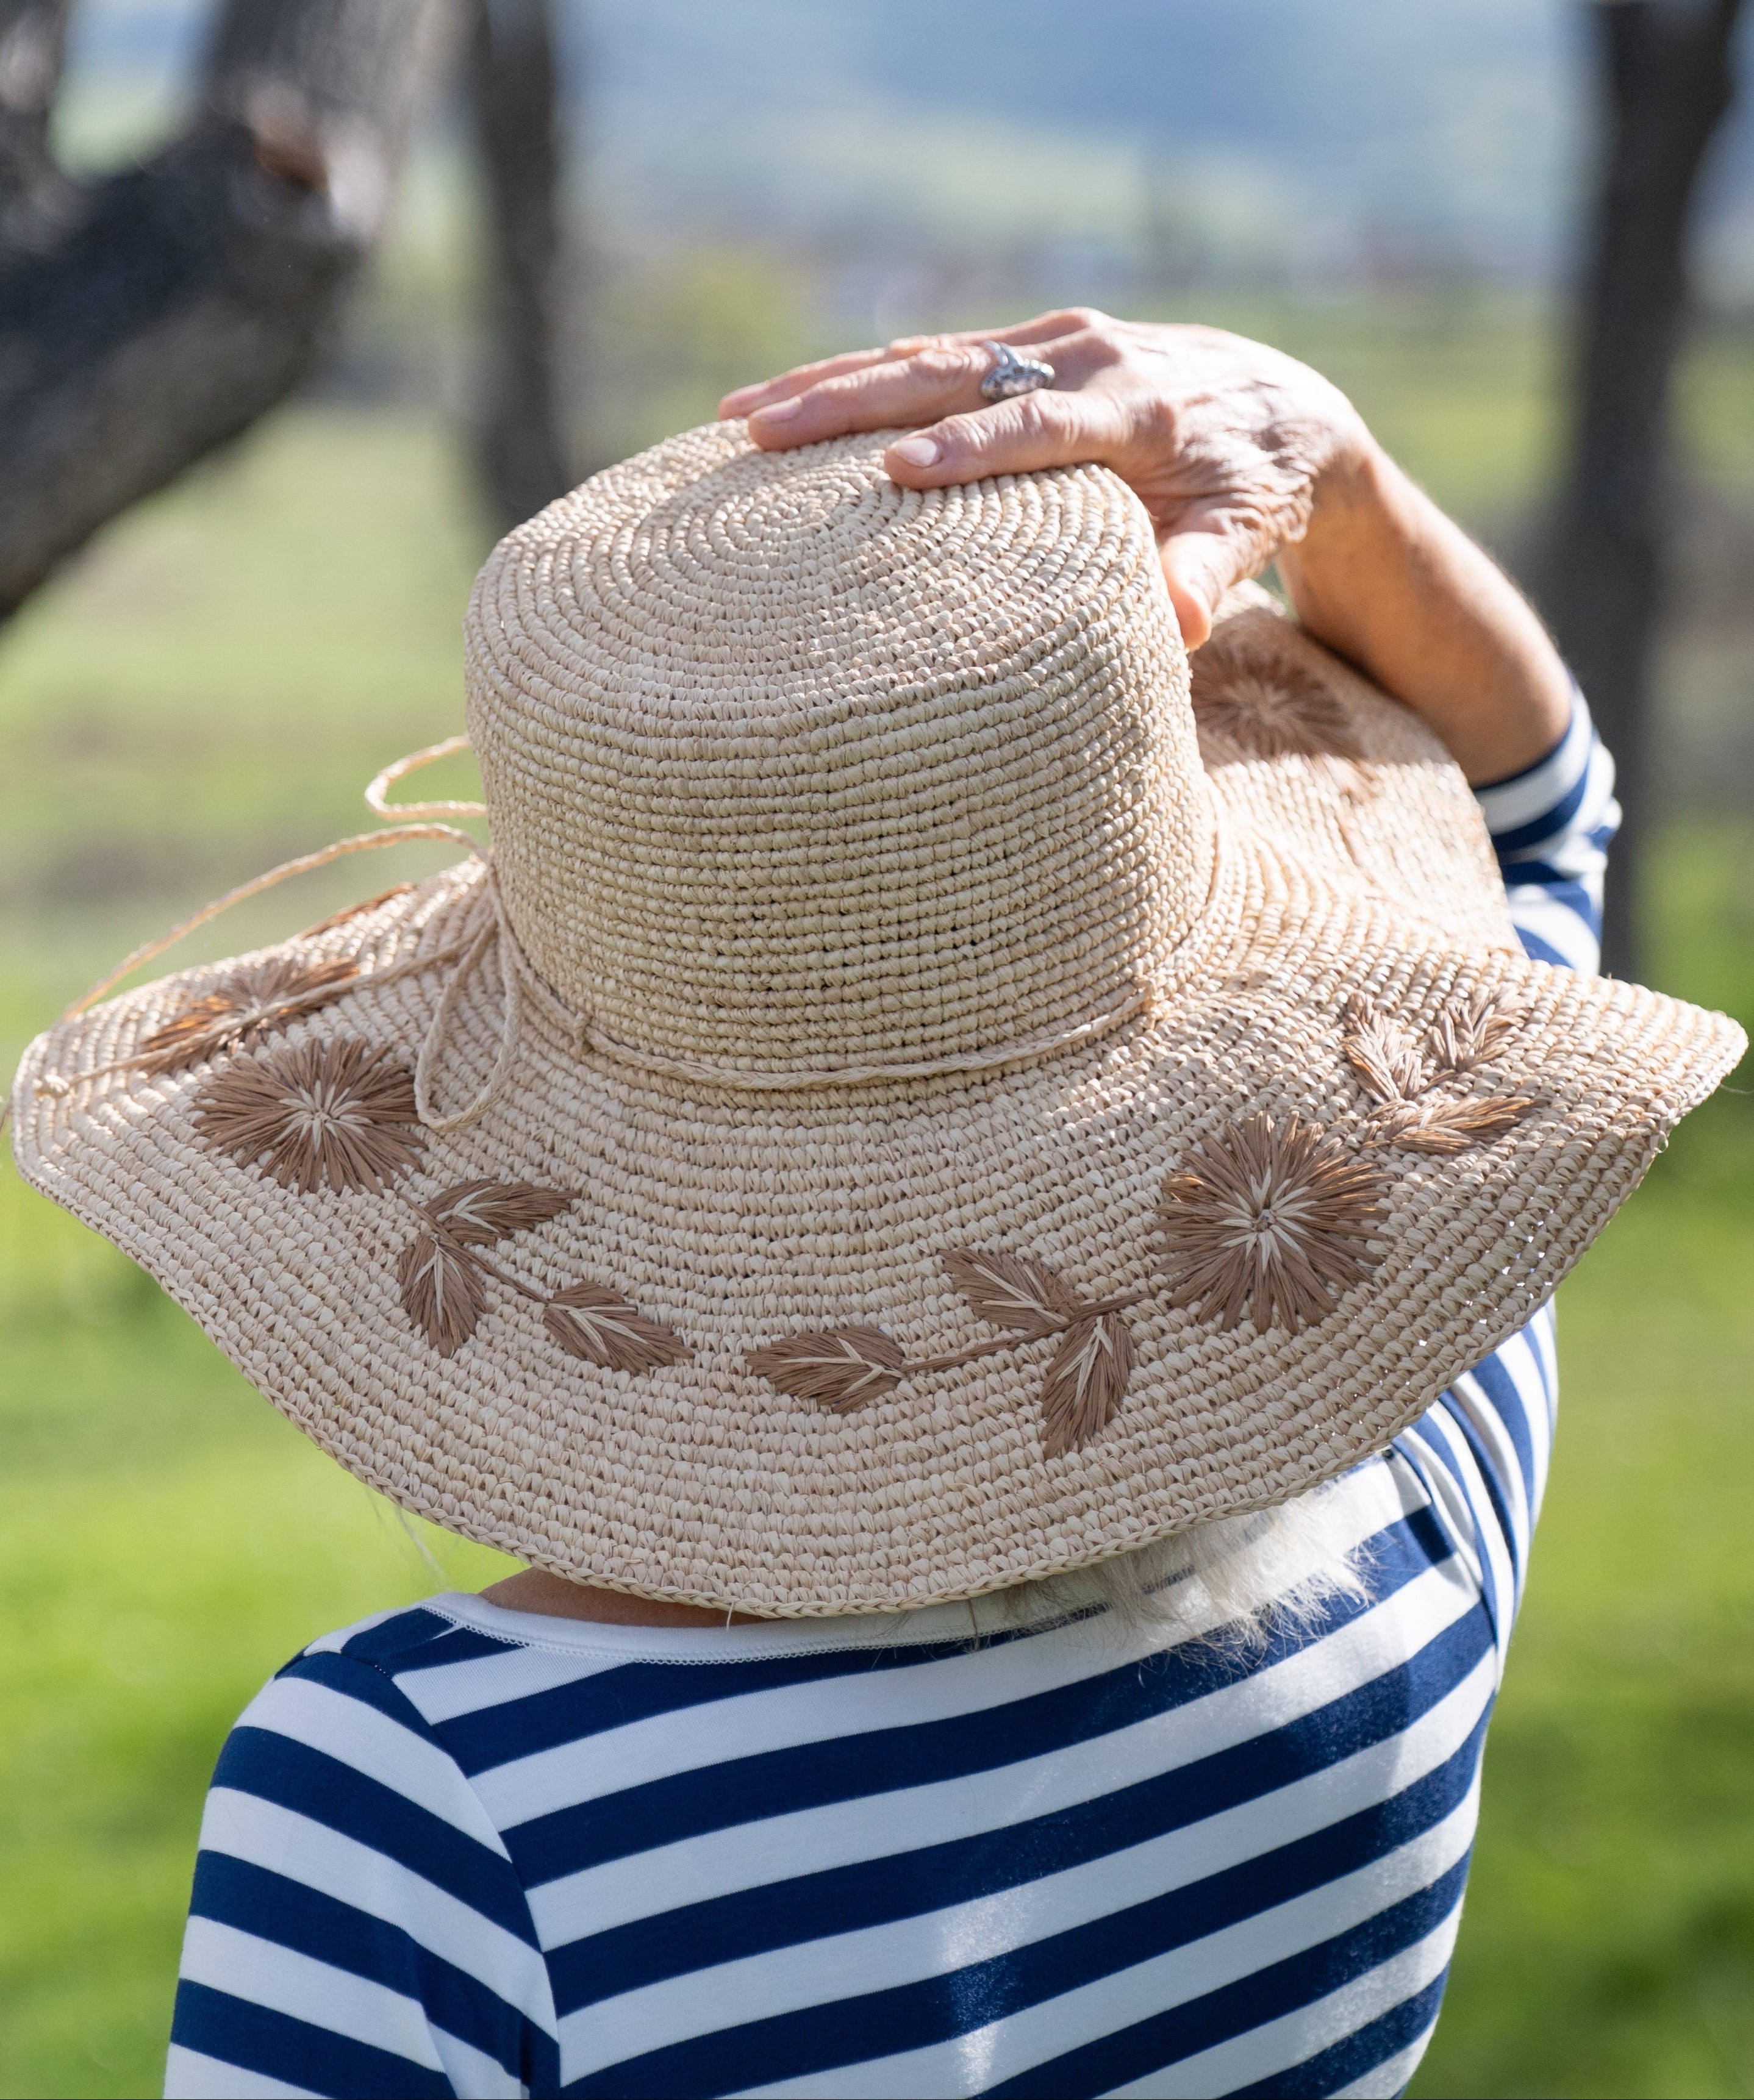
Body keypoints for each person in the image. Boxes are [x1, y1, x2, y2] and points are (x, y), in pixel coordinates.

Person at [10, 315, 1741, 2100]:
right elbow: (1540, 816)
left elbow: (1543, 812)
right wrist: (1332, 460)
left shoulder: (427, 1814)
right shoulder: (1426, 1461)